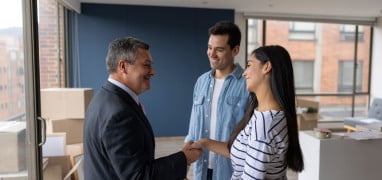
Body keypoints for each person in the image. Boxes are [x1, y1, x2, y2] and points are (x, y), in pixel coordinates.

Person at [83, 37, 202, 180]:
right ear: (123, 67)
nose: (153, 72)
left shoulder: (102, 98)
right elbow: (138, 176)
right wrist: (184, 158)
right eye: (146, 65)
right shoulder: (120, 114)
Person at [192, 45, 305, 179]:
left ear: (267, 67)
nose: (244, 73)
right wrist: (204, 143)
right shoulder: (263, 114)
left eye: (249, 65)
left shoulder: (264, 126)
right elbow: (245, 152)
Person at [185, 21, 250, 180]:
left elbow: (250, 138)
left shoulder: (247, 84)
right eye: (209, 47)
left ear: (235, 50)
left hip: (232, 172)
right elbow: (193, 130)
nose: (211, 54)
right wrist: (184, 167)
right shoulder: (201, 82)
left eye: (219, 49)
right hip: (202, 170)